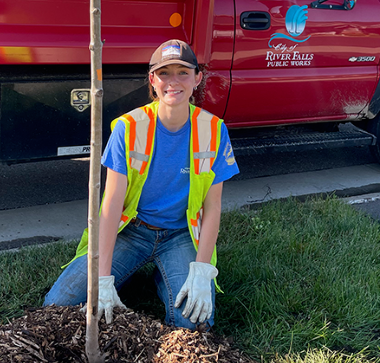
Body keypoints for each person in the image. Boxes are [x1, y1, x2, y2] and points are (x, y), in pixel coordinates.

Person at [43, 39, 238, 330]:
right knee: (57, 305)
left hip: (180, 235)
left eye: (183, 72)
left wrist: (201, 269)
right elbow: (110, 206)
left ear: (198, 78)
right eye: (164, 73)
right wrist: (104, 277)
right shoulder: (129, 127)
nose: (174, 81)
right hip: (131, 231)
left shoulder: (213, 129)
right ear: (152, 80)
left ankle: (168, 272)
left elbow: (213, 206)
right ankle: (126, 272)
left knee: (194, 325)